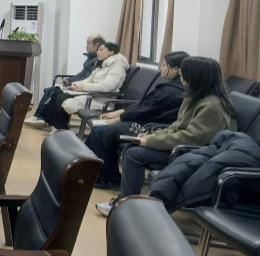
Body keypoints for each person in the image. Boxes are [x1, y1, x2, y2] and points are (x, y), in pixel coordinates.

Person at [96, 56, 237, 216]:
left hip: (195, 154)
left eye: (185, 72)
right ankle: (127, 201)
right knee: (131, 147)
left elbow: (192, 138)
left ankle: (126, 206)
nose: (181, 75)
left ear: (196, 76)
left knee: (134, 154)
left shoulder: (212, 106)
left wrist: (152, 141)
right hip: (184, 148)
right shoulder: (194, 97)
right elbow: (176, 126)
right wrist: (152, 135)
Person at [86, 51, 189, 188]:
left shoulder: (172, 92)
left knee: (102, 132)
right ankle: (96, 172)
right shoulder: (170, 87)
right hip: (144, 120)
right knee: (101, 130)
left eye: (164, 65)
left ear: (176, 69)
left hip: (151, 126)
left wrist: (119, 118)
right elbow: (144, 105)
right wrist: (120, 112)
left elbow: (146, 110)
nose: (161, 68)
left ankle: (107, 177)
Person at [26, 41, 128, 131]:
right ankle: (54, 125)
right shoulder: (103, 65)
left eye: (101, 49)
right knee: (58, 92)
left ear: (111, 52)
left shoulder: (117, 66)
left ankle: (61, 128)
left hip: (102, 100)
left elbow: (108, 86)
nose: (98, 52)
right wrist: (75, 85)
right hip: (92, 94)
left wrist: (84, 87)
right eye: (98, 50)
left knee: (61, 97)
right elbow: (89, 79)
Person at [25, 34, 105, 126]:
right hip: (78, 86)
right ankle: (41, 118)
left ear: (97, 45)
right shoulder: (91, 59)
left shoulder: (96, 61)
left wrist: (70, 83)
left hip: (83, 90)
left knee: (53, 91)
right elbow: (81, 75)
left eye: (88, 43)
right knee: (50, 90)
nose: (86, 46)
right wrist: (69, 80)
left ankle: (40, 118)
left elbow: (86, 79)